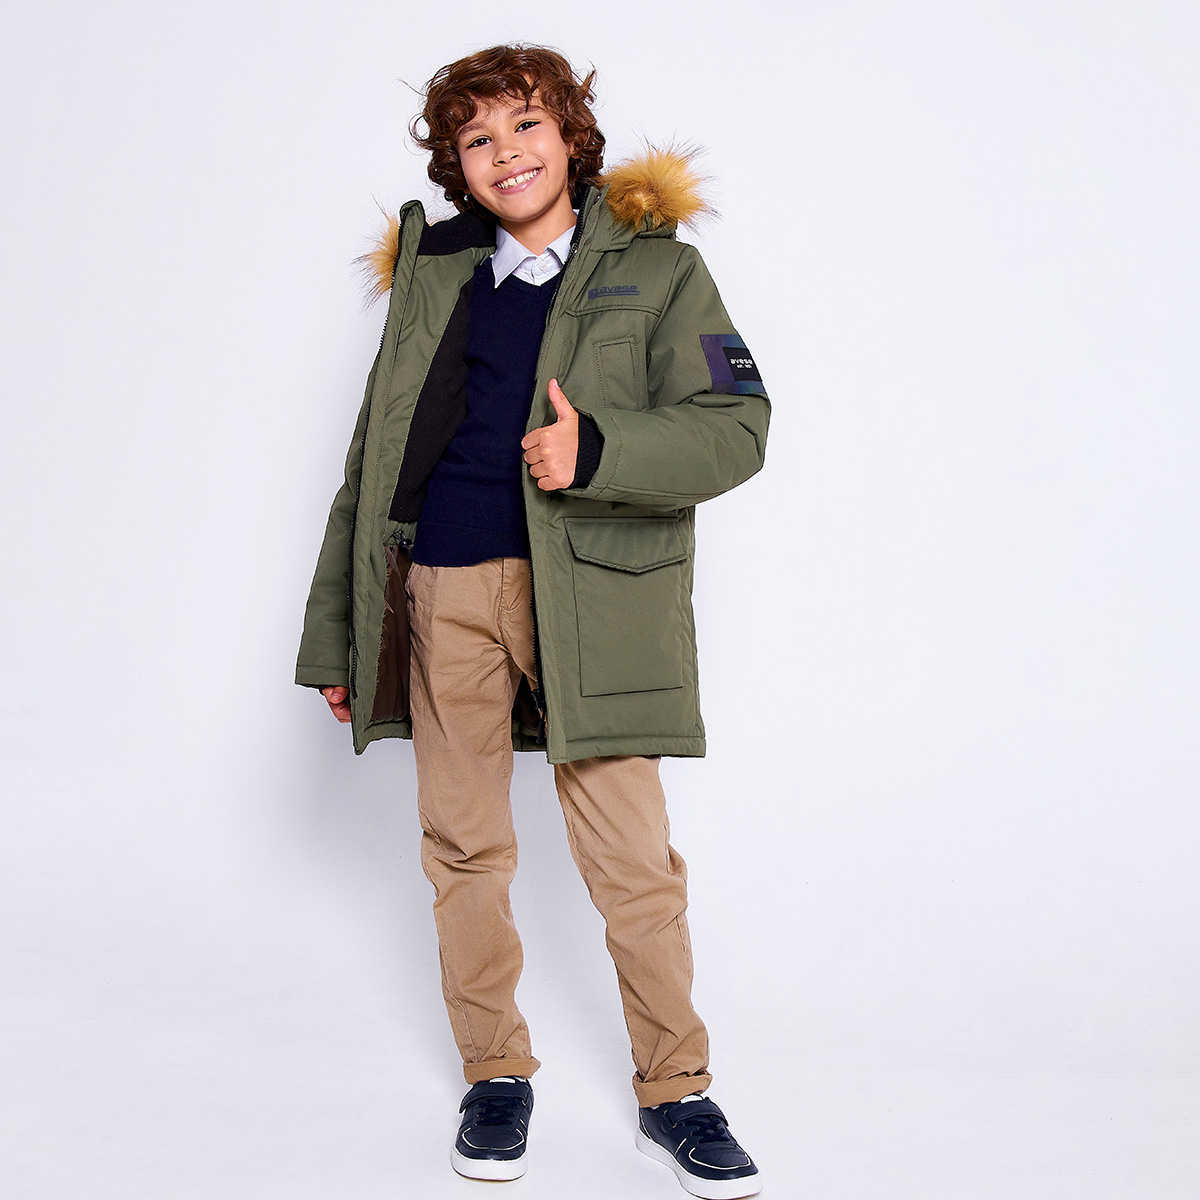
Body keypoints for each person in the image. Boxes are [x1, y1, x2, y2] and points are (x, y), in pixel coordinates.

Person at [295, 42, 770, 1199]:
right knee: (463, 847)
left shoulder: (659, 272)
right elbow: (370, 460)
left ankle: (676, 1091)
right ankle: (495, 1073)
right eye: (477, 138)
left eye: (526, 125)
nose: (505, 153)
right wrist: (338, 635)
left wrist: (596, 449)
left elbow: (738, 423)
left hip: (592, 597)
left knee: (631, 861)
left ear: (570, 137)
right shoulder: (436, 274)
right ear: (455, 164)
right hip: (442, 589)